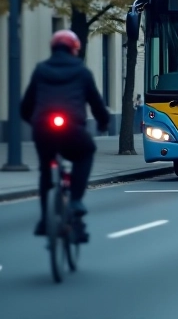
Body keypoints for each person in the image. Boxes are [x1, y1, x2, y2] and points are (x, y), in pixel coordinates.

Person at [20, 30, 110, 242]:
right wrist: (103, 122)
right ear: (74, 50)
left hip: (43, 129)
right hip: (72, 129)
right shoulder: (82, 71)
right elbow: (96, 103)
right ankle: (76, 199)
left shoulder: (41, 70)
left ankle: (45, 221)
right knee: (86, 152)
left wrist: (33, 122)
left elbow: (26, 105)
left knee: (46, 171)